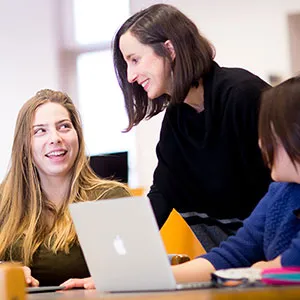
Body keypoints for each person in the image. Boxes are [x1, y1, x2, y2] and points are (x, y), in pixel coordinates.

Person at [112, 3, 271, 250]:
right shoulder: (176, 120)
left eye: (135, 60)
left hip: (275, 260)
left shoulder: (243, 95)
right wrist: (121, 251)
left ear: (169, 49)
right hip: (238, 263)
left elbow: (281, 191)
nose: (131, 75)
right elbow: (163, 193)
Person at [171, 76, 300, 282]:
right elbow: (235, 253)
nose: (260, 143)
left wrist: (264, 268)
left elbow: (292, 262)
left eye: (269, 134)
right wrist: (159, 277)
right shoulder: (280, 191)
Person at [0, 89, 130, 287]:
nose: (55, 138)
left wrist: (112, 279)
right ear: (24, 145)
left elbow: (135, 271)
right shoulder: (4, 200)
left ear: (77, 136)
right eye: (40, 131)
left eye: (64, 127)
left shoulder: (109, 198)